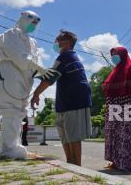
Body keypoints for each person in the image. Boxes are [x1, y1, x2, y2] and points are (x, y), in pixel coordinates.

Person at [0, 11, 56, 159]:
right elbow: (19, 57)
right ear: (22, 18)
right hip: (10, 75)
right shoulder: (10, 34)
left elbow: (37, 59)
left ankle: (8, 146)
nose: (34, 24)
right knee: (11, 110)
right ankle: (9, 149)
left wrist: (43, 71)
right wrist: (39, 68)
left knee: (20, 112)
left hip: (26, 79)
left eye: (36, 22)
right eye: (31, 20)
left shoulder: (32, 42)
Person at [31, 30, 92, 166]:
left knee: (73, 135)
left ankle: (77, 166)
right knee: (65, 135)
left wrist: (36, 94)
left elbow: (50, 78)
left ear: (68, 43)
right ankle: (71, 164)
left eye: (59, 40)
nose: (56, 43)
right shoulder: (67, 57)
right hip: (64, 102)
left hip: (75, 101)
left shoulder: (66, 56)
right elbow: (51, 75)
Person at [102, 47, 131, 172]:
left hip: (126, 104)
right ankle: (115, 161)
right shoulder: (115, 70)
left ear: (123, 55)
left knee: (126, 133)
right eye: (112, 54)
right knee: (114, 133)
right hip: (113, 105)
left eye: (116, 54)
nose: (114, 56)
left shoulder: (129, 68)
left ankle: (128, 163)